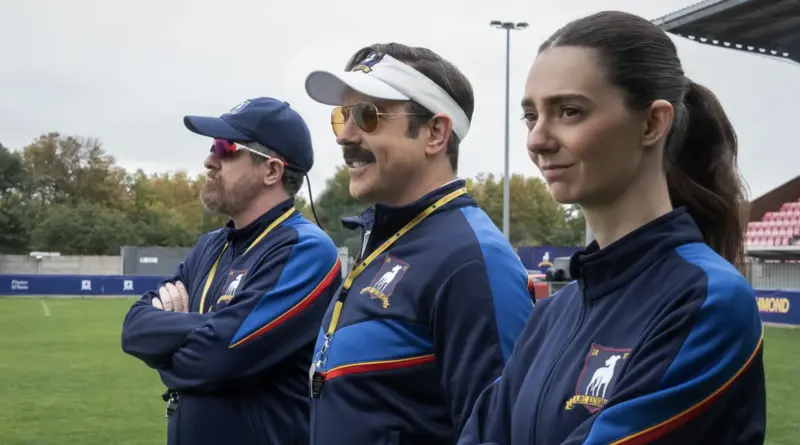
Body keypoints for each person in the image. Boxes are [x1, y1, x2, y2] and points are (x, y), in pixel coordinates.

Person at [458, 10, 766, 445]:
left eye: (569, 111)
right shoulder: (550, 315)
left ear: (652, 123)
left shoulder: (707, 301)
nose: (536, 140)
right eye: (531, 116)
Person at [303, 43, 534, 445]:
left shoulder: (473, 261)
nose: (346, 136)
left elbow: (501, 433)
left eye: (368, 115)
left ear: (435, 133)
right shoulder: (388, 238)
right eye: (343, 116)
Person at [120, 97, 343, 445]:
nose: (210, 160)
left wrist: (167, 349)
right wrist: (211, 325)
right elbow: (134, 328)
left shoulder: (305, 249)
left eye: (225, 148)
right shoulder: (211, 245)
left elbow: (216, 358)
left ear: (272, 171)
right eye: (213, 147)